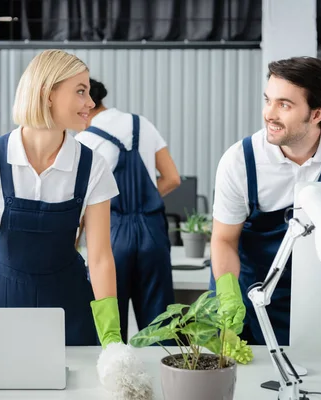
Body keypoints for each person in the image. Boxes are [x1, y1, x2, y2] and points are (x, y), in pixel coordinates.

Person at [0, 50, 124, 349]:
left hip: (67, 303)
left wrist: (111, 336)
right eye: (81, 91)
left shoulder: (92, 166)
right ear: (48, 94)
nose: (91, 103)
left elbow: (99, 258)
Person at [210, 56, 321, 347]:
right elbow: (224, 239)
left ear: (316, 114)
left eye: (284, 105)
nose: (269, 114)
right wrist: (227, 298)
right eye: (268, 100)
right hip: (243, 288)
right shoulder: (239, 160)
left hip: (314, 290)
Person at [75, 78, 181, 343]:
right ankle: (166, 380)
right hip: (153, 232)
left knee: (110, 322)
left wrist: (73, 246)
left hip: (111, 234)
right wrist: (143, 203)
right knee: (160, 325)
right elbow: (172, 179)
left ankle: (114, 376)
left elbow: (81, 206)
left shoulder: (84, 140)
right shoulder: (141, 123)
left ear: (87, 105)